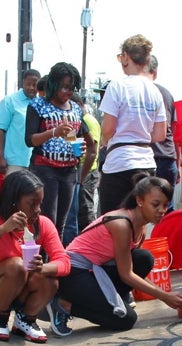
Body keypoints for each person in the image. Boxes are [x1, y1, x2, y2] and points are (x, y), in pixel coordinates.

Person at [49, 176, 182, 335]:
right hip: (73, 273)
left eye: (165, 205)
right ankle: (63, 304)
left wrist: (166, 294)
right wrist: (165, 296)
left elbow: (129, 268)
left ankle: (109, 299)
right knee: (126, 319)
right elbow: (126, 274)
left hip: (97, 270)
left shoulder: (140, 226)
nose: (161, 210)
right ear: (140, 201)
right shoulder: (121, 224)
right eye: (155, 204)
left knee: (144, 258)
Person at [0, 171, 69, 342]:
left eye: (40, 203)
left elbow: (64, 262)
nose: (37, 210)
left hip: (20, 291)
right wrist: (2, 230)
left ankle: (25, 320)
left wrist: (43, 268)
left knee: (50, 279)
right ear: (13, 202)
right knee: (16, 265)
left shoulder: (43, 224)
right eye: (32, 204)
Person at [97, 35, 167, 216]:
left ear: (126, 57)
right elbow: (160, 134)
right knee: (139, 220)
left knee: (112, 220)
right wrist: (139, 135)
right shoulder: (155, 90)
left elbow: (108, 129)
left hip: (119, 162)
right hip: (146, 162)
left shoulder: (117, 86)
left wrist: (106, 141)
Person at [24, 62, 94, 238]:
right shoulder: (38, 105)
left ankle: (54, 262)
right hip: (45, 168)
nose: (68, 92)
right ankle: (41, 259)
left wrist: (80, 147)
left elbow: (73, 137)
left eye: (71, 88)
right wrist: (53, 132)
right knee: (48, 219)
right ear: (54, 84)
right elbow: (30, 140)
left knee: (61, 224)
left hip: (69, 170)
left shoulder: (75, 109)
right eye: (64, 87)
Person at [63, 92, 101, 245]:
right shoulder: (79, 121)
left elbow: (91, 151)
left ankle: (90, 245)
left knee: (84, 213)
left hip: (85, 172)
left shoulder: (86, 121)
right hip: (79, 171)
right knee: (76, 214)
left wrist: (81, 178)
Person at [0, 69, 41, 175]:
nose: (31, 88)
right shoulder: (9, 101)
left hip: (36, 162)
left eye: (35, 85)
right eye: (28, 84)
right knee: (14, 191)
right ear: (23, 82)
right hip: (14, 161)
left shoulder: (40, 104)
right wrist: (0, 157)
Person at [144, 54, 177, 191]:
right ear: (155, 72)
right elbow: (175, 133)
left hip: (144, 160)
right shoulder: (166, 94)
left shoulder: (133, 92)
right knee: (165, 208)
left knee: (143, 208)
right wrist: (177, 164)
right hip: (167, 159)